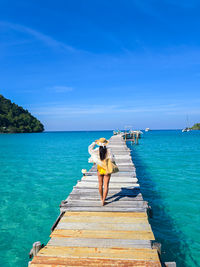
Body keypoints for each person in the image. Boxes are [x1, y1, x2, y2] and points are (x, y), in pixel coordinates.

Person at [88, 137, 114, 206]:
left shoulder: (97, 150)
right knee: (106, 186)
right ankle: (103, 201)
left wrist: (94, 143)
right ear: (106, 144)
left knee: (100, 184)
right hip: (107, 169)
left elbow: (90, 150)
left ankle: (101, 197)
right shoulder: (109, 151)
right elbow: (112, 159)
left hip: (99, 169)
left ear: (99, 144)